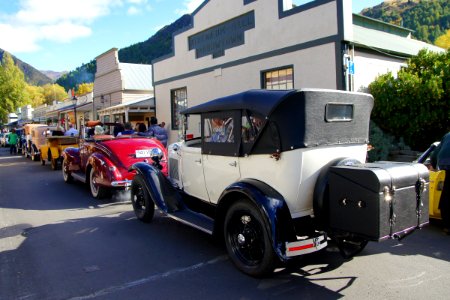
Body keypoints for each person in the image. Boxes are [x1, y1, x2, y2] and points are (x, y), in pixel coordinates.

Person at [431, 132, 450, 235]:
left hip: (443, 162)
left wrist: (433, 165)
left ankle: (447, 225)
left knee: (446, 192)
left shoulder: (447, 135)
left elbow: (435, 153)